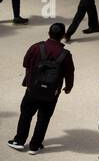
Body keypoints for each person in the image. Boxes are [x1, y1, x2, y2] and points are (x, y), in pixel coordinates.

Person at [8, 23, 75, 153]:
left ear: (48, 32)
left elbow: (25, 63)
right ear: (62, 36)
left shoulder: (36, 47)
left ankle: (19, 141)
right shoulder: (66, 54)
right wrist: (68, 87)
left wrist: (30, 77)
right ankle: (35, 145)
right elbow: (69, 73)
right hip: (51, 93)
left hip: (33, 89)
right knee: (43, 119)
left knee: (26, 115)